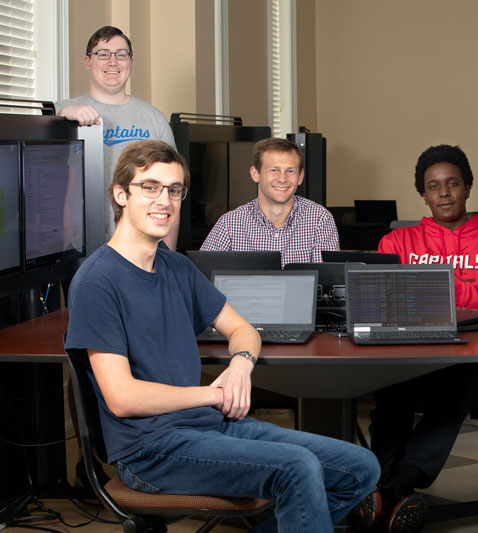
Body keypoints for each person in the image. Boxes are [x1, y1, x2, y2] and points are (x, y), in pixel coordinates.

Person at [65, 140, 379, 532]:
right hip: (151, 451)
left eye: (174, 190)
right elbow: (123, 398)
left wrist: (240, 367)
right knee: (297, 467)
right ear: (121, 194)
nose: (164, 200)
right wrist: (215, 395)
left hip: (207, 426)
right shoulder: (97, 282)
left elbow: (242, 329)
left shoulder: (176, 267)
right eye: (150, 187)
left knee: (360, 467)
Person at [367, 145, 478, 531]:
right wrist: (464, 293)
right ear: (423, 194)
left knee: (455, 387)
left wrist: (442, 293)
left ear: (468, 187)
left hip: (470, 359)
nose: (443, 193)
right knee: (390, 391)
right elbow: (382, 293)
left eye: (452, 184)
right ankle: (388, 491)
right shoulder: (398, 242)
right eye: (433, 186)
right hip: (407, 353)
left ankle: (386, 492)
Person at [56, 26, 178, 249]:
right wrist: (60, 118)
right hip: (77, 250)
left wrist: (167, 256)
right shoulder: (62, 112)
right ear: (87, 61)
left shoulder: (154, 119)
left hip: (141, 248)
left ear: (130, 62)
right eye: (103, 54)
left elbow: (172, 194)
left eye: (121, 54)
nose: (113, 62)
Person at [200, 138, 338, 266]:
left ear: (300, 177)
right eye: (274, 170)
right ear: (255, 174)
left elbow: (328, 282)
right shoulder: (230, 224)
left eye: (290, 171)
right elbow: (201, 276)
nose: (282, 179)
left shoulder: (320, 219)